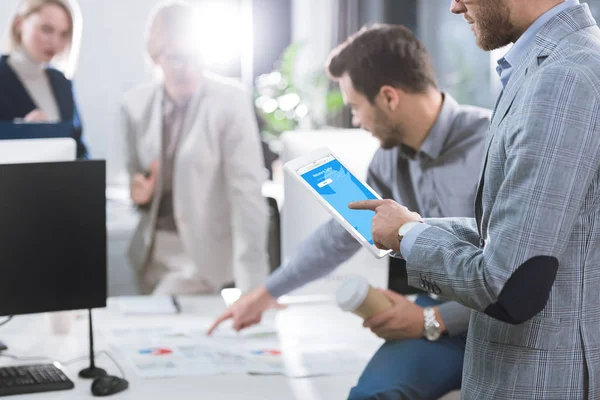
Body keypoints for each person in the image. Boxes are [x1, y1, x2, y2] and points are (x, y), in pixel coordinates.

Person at [209, 24, 491, 400]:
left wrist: (431, 320)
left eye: (356, 107)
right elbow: (339, 235)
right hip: (438, 311)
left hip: (499, 320)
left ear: (389, 98)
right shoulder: (388, 161)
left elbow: (518, 273)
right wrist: (264, 294)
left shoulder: (495, 144)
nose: (357, 120)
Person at [350, 1, 600, 398]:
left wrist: (408, 237)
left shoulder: (563, 77)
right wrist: (411, 226)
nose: (455, 6)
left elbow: (509, 283)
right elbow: (524, 235)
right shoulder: (544, 67)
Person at [122, 1, 269, 295]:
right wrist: (139, 193)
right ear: (156, 57)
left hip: (201, 256)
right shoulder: (135, 104)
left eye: (197, 56)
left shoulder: (230, 101)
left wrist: (254, 286)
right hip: (150, 254)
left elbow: (247, 193)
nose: (190, 68)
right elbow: (135, 176)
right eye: (176, 57)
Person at [0, 0, 88, 159]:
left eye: (63, 34)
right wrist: (19, 134)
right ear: (19, 23)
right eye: (47, 30)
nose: (55, 42)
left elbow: (80, 149)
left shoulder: (62, 83)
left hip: (61, 182)